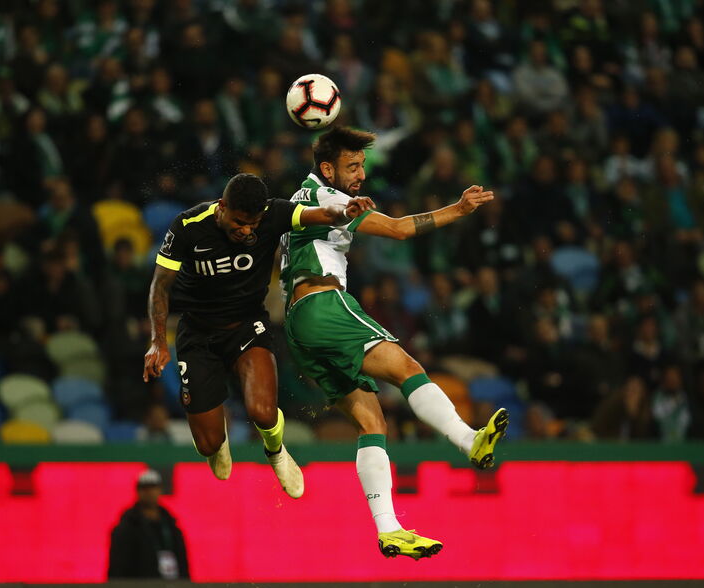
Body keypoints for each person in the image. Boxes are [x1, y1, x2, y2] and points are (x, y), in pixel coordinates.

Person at [280, 127, 504, 560]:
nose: (360, 174)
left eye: (362, 165)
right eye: (352, 166)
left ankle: (389, 530)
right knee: (407, 369)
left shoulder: (304, 196)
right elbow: (399, 229)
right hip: (324, 305)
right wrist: (458, 209)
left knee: (372, 423)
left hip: (299, 324)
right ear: (327, 169)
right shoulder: (327, 199)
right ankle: (467, 440)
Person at [142, 173, 373, 499]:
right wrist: (157, 341)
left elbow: (318, 214)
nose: (247, 231)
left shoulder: (273, 213)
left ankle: (276, 451)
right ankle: (219, 443)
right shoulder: (187, 226)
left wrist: (345, 209)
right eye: (239, 222)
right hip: (199, 333)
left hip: (247, 325)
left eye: (253, 224)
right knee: (208, 444)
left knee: (262, 413)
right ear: (221, 207)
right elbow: (160, 285)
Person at [108, 469, 189, 580]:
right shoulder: (126, 528)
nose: (149, 492)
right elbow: (118, 566)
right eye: (144, 488)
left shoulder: (171, 526)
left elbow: (182, 562)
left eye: (153, 487)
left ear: (160, 490)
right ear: (138, 491)